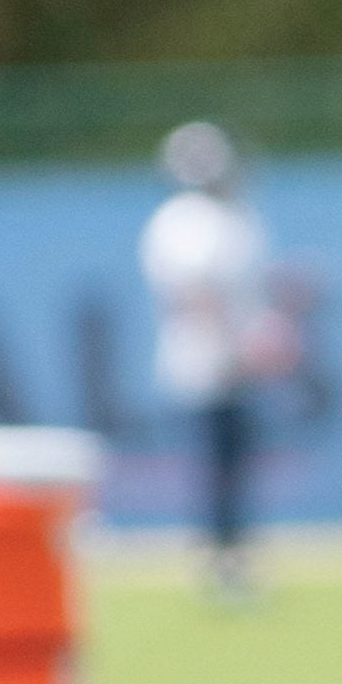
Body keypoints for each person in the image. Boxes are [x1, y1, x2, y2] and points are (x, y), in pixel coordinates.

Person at [139, 120, 285, 603]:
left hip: (230, 358)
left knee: (236, 463)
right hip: (206, 360)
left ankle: (233, 553)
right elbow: (196, 291)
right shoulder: (186, 221)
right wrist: (237, 344)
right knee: (217, 464)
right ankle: (219, 559)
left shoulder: (230, 218)